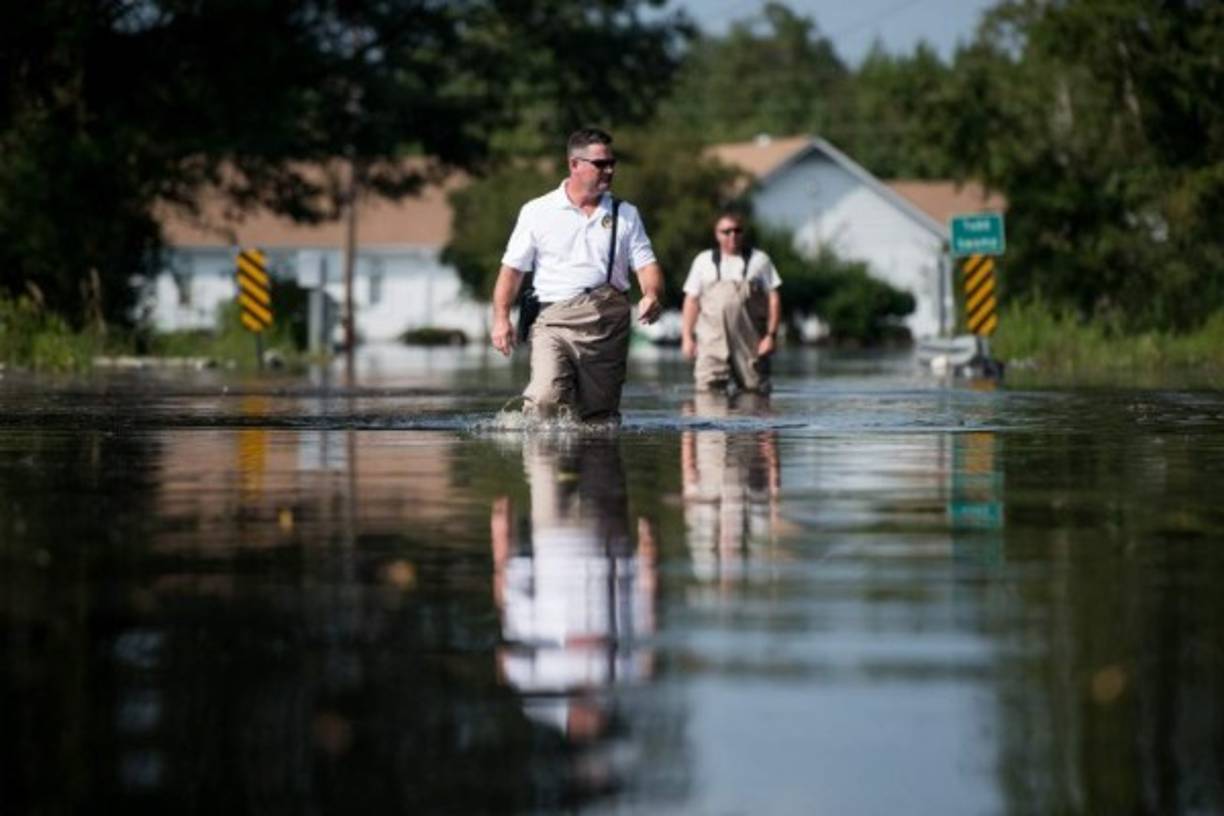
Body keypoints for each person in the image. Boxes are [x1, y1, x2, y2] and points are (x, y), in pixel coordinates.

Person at [490, 127, 664, 422]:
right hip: (552, 320)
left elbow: (647, 265)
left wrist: (651, 294)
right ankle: (545, 463)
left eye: (612, 163)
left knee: (599, 418)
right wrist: (501, 318)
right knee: (544, 401)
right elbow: (512, 270)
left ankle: (588, 462)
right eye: (600, 164)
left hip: (607, 322)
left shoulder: (626, 214)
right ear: (574, 164)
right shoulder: (537, 211)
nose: (609, 170)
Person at [680, 210, 782, 393]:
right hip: (711, 342)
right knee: (707, 391)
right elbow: (691, 301)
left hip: (750, 343)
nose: (732, 235)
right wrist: (687, 338)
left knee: (755, 391)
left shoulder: (760, 260)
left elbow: (773, 298)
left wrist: (771, 336)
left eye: (737, 230)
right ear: (716, 235)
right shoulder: (703, 261)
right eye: (726, 231)